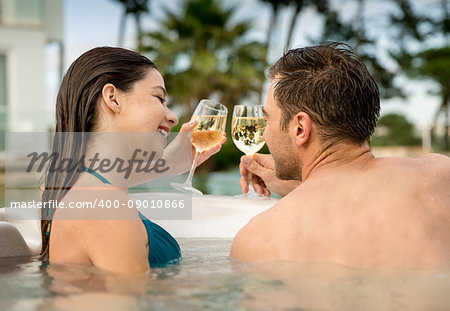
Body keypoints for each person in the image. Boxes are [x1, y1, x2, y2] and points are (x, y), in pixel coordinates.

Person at [231, 42, 450, 267]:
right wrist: (301, 185)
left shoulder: (258, 240)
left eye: (268, 120)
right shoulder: (441, 174)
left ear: (300, 128)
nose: (266, 133)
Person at [41, 47, 225, 275]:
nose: (173, 116)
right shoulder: (107, 208)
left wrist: (170, 162)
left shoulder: (68, 185)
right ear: (113, 99)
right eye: (159, 97)